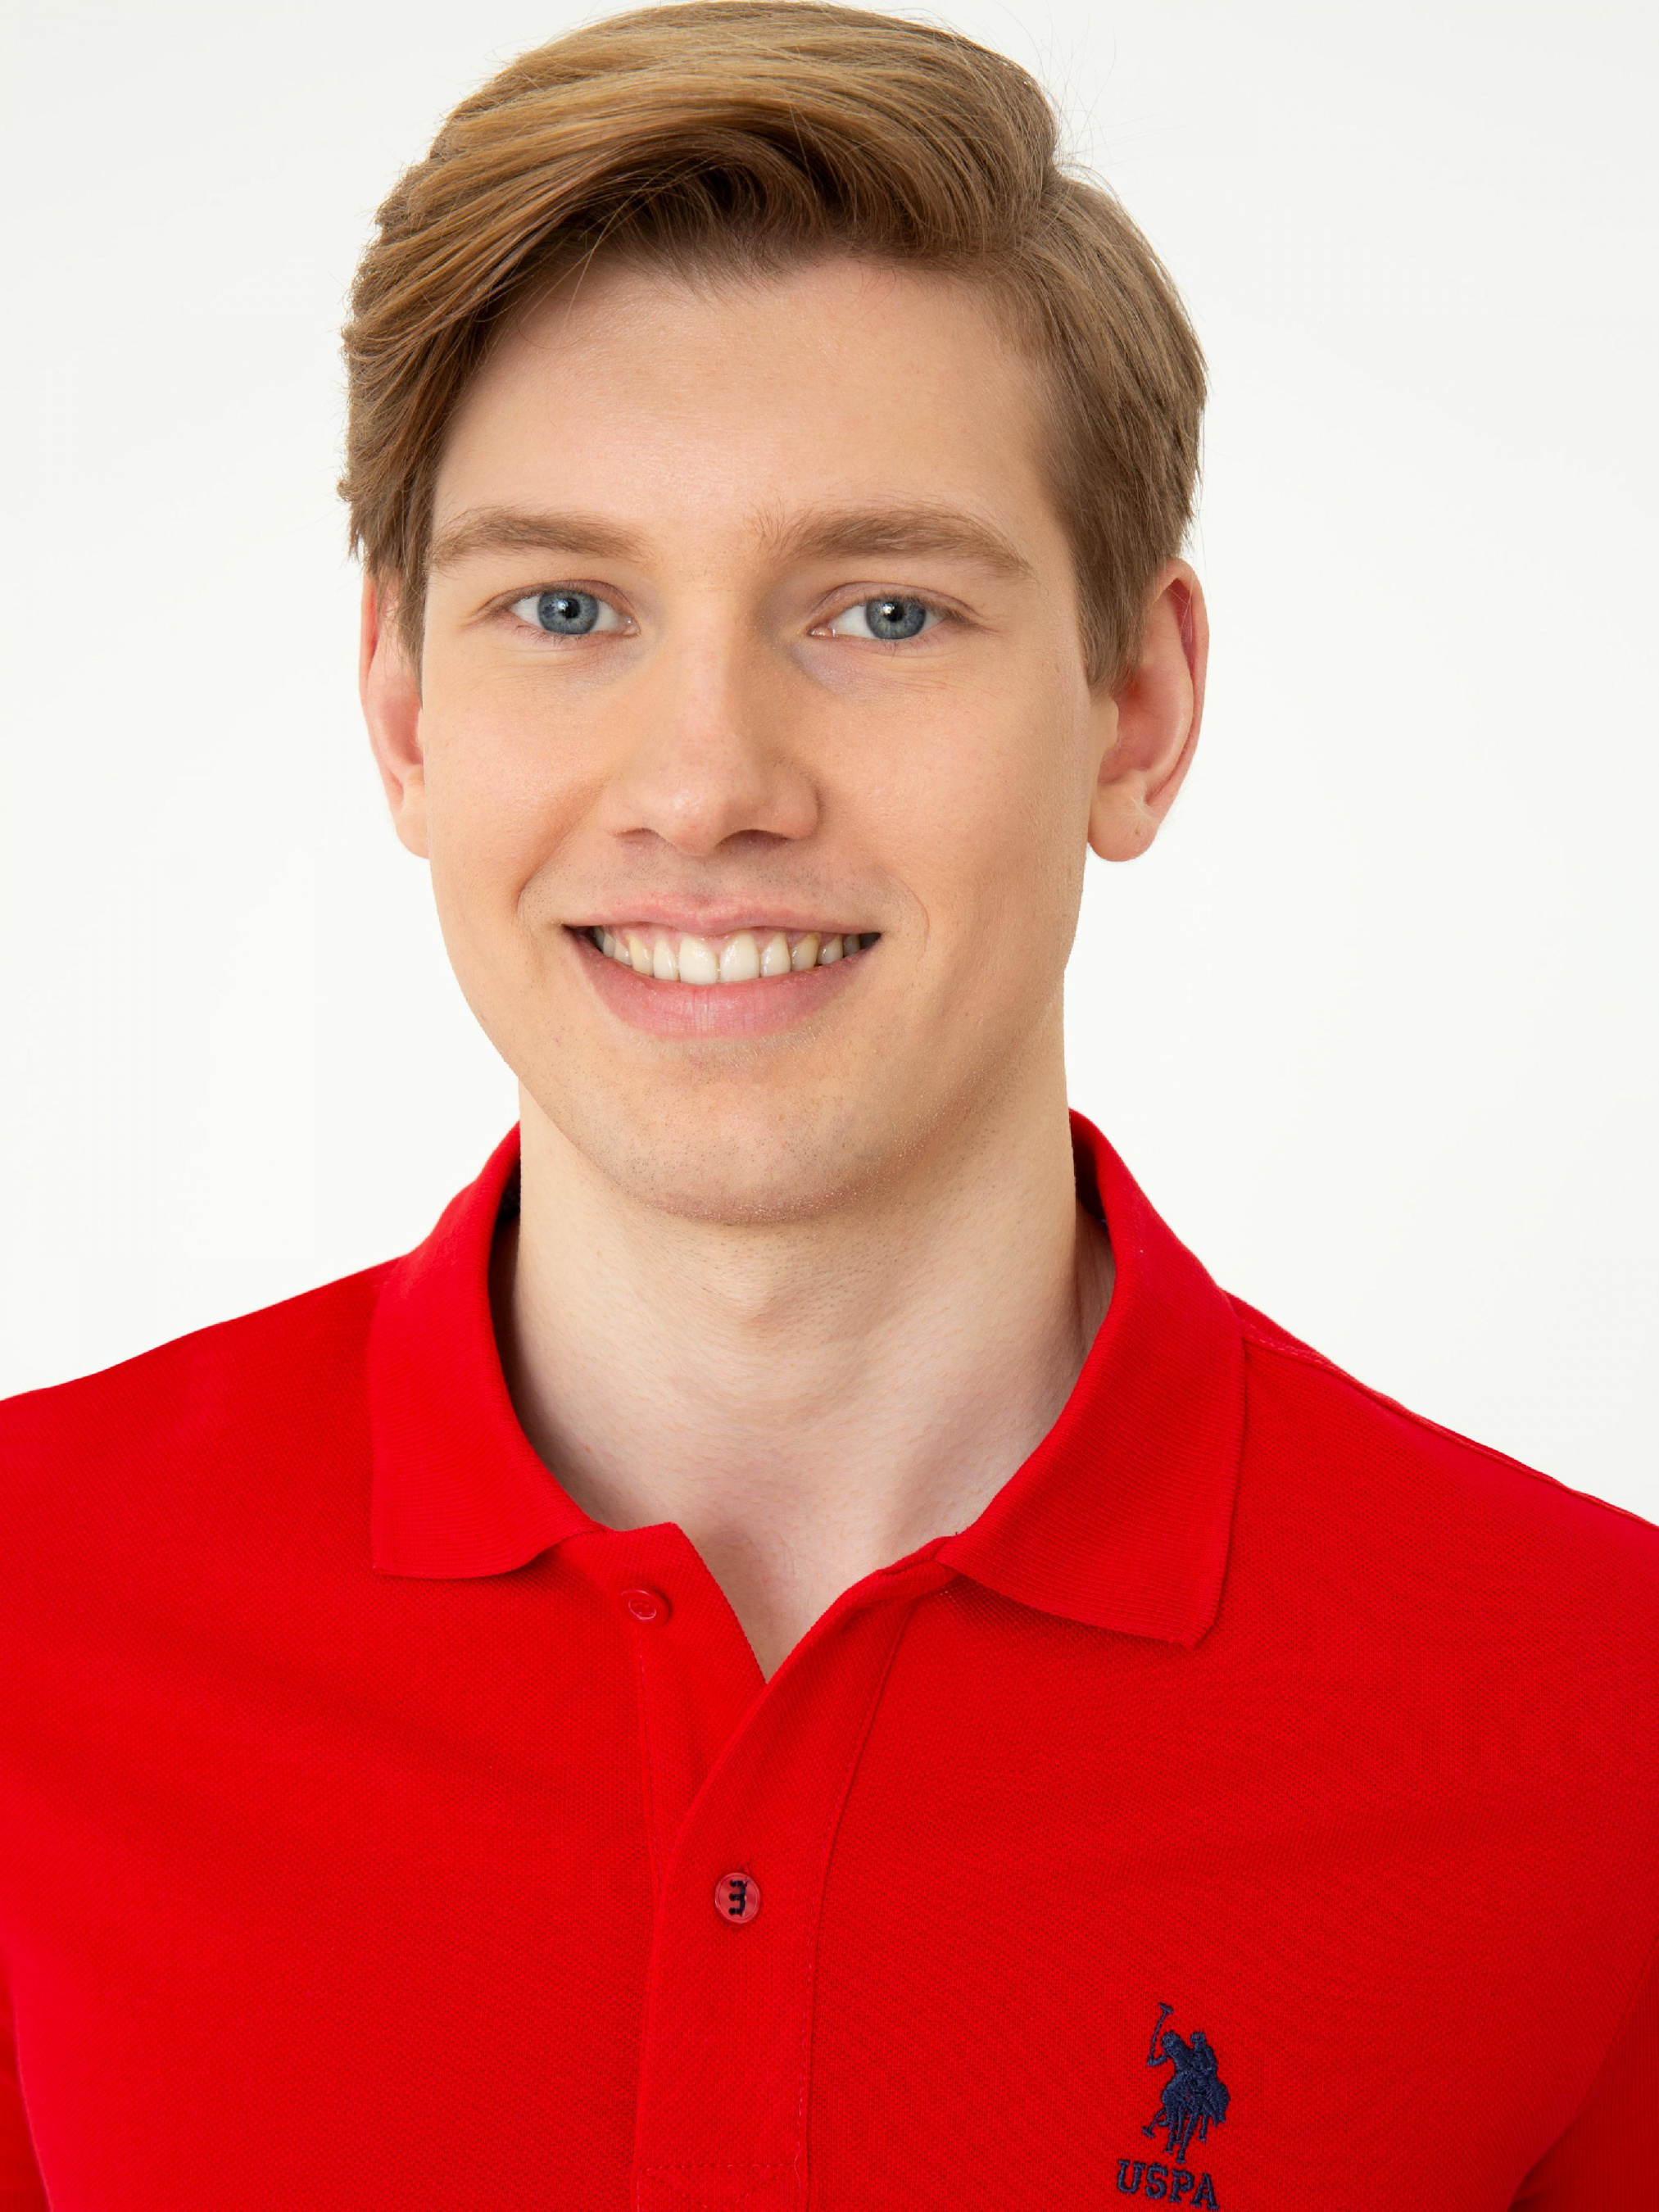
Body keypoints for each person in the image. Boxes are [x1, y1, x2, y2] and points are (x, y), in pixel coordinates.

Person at [1, 4, 1653, 2206]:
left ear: (1137, 708)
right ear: (401, 710)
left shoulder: (1601, 1727)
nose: (706, 783)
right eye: (565, 605)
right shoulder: (32, 1620)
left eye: (882, 610)